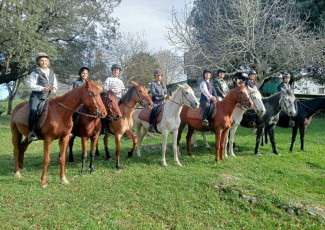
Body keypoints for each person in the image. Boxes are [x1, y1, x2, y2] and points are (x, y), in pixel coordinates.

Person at [27, 52, 58, 142]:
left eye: (45, 60)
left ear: (48, 62)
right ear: (38, 62)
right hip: (37, 96)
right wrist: (42, 88)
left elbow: (55, 85)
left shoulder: (52, 73)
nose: (44, 62)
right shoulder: (34, 73)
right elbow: (31, 85)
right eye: (42, 61)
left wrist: (54, 89)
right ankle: (32, 132)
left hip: (49, 96)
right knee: (33, 110)